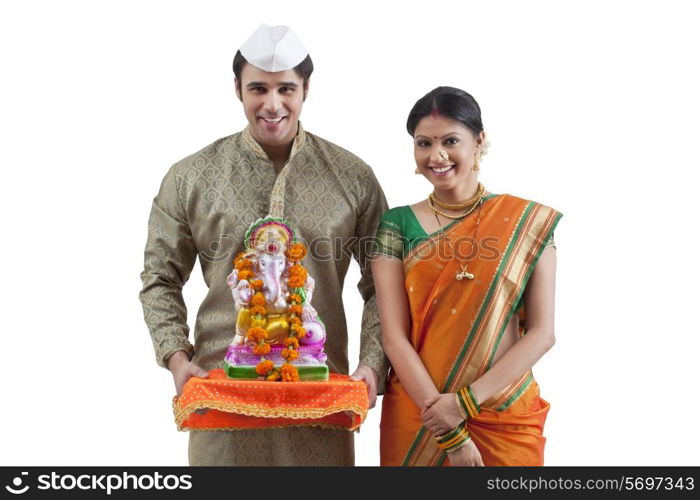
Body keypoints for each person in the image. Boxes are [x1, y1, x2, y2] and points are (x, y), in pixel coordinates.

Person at [139, 24, 388, 466]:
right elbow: (160, 279)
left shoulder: (353, 177)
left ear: (306, 89)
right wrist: (177, 359)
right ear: (237, 89)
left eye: (286, 89)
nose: (272, 105)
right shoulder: (191, 177)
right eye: (258, 88)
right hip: (223, 392)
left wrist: (371, 365)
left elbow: (385, 285)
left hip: (319, 393)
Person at [371, 87, 562, 466]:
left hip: (501, 412)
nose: (436, 155)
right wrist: (449, 430)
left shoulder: (528, 224)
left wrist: (463, 404)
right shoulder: (396, 225)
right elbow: (393, 337)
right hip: (419, 414)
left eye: (450, 141)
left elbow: (543, 334)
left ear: (479, 141)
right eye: (423, 143)